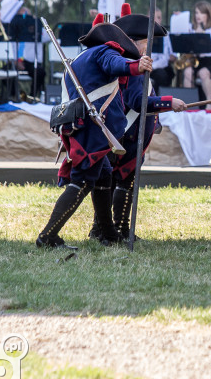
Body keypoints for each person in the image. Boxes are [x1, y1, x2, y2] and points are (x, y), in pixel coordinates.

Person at [36, 14, 152, 249]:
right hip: (93, 129)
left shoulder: (82, 57)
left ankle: (108, 233)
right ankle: (47, 236)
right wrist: (135, 66)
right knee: (81, 181)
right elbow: (115, 64)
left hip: (85, 126)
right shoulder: (105, 50)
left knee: (104, 175)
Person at [89, 4, 186, 241]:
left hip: (131, 137)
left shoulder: (134, 61)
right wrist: (167, 102)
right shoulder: (131, 64)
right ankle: (106, 230)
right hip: (125, 136)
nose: (147, 47)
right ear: (133, 41)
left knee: (122, 183)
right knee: (116, 183)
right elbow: (136, 101)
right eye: (144, 42)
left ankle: (117, 229)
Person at [182, 0, 211, 100]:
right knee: (187, 72)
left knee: (203, 73)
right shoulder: (190, 28)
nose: (198, 15)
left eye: (201, 13)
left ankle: (210, 103)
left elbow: (207, 47)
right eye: (196, 12)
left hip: (207, 62)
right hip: (193, 61)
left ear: (207, 15)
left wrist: (199, 35)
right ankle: (189, 103)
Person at [149, 8, 177, 91]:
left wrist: (152, 67)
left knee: (163, 75)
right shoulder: (142, 33)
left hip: (156, 67)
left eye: (158, 17)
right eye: (153, 17)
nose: (156, 20)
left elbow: (164, 59)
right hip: (143, 65)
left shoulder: (165, 35)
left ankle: (157, 101)